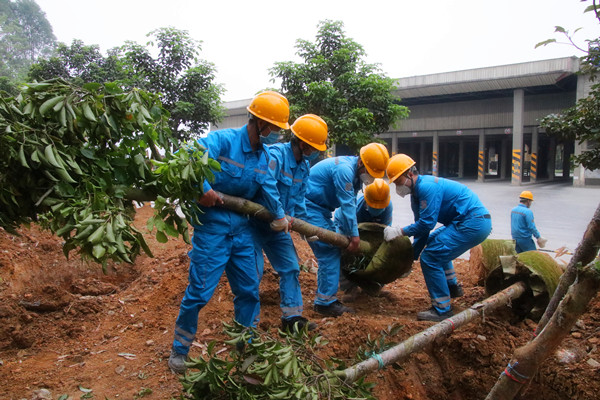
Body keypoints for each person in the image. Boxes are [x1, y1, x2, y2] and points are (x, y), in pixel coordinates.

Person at [168, 91, 291, 374]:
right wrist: (202, 189)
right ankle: (180, 349)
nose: (276, 135)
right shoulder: (223, 141)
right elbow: (185, 157)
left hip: (243, 230)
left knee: (249, 291)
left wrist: (280, 216)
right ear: (259, 122)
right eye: (274, 128)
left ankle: (245, 348)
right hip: (213, 228)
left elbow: (269, 187)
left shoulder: (264, 156)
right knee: (199, 292)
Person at [383, 154, 492, 322]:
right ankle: (452, 286)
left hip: (473, 222)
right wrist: (411, 257)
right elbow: (421, 230)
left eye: (398, 181)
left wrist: (399, 231)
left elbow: (427, 224)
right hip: (463, 222)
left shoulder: (427, 187)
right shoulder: (416, 194)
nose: (398, 186)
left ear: (410, 174)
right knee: (433, 244)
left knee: (431, 257)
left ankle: (442, 309)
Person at [251, 114, 328, 332]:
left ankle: (291, 319)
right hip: (254, 224)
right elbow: (267, 184)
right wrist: (278, 214)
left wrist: (306, 227)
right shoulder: (276, 155)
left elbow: (299, 199)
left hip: (278, 227)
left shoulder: (304, 167)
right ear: (303, 144)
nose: (316, 153)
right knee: (253, 272)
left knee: (291, 267)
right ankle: (248, 326)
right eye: (314, 148)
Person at [304, 143, 390, 317]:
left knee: (331, 251)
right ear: (361, 163)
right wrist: (354, 236)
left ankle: (325, 299)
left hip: (322, 211)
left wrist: (350, 233)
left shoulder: (355, 175)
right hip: (309, 207)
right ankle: (325, 303)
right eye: (370, 173)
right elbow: (347, 205)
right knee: (329, 251)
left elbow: (349, 204)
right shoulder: (344, 170)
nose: (370, 178)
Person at [334, 178, 393, 296]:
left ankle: (373, 286)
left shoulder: (388, 206)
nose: (377, 209)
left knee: (380, 253)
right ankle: (349, 287)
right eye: (374, 206)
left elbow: (384, 231)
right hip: (345, 224)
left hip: (369, 229)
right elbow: (350, 228)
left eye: (379, 207)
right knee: (345, 251)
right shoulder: (356, 206)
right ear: (366, 201)